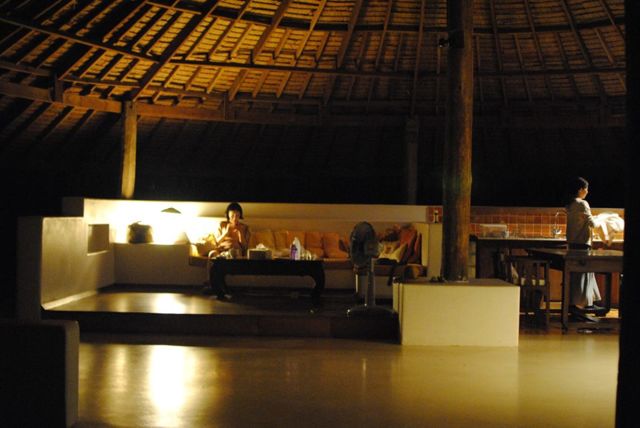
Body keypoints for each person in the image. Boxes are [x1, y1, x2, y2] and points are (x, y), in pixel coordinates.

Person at [565, 177, 604, 317]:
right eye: (586, 189)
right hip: (582, 244)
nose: (587, 191)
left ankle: (586, 303)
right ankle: (578, 306)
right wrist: (602, 218)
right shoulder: (582, 203)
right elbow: (592, 223)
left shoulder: (570, 204)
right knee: (583, 275)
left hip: (573, 244)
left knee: (581, 275)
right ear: (581, 189)